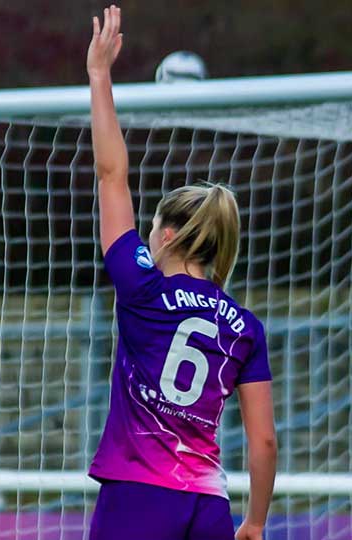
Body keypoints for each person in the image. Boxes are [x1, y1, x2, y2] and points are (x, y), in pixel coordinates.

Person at [85, 6, 277, 540]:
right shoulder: (244, 325)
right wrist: (255, 521)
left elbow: (110, 174)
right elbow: (263, 441)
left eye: (151, 228)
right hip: (207, 508)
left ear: (166, 236)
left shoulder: (142, 288)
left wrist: (100, 76)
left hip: (136, 498)